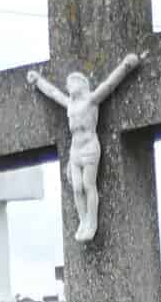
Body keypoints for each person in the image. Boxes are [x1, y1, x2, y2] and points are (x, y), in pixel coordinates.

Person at [26, 54, 141, 242]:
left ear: (80, 84)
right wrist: (38, 81)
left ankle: (92, 223)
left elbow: (109, 85)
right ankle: (83, 221)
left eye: (71, 83)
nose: (68, 86)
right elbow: (53, 93)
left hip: (89, 148)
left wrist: (126, 66)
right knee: (77, 188)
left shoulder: (91, 100)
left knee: (88, 186)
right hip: (75, 151)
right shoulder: (70, 104)